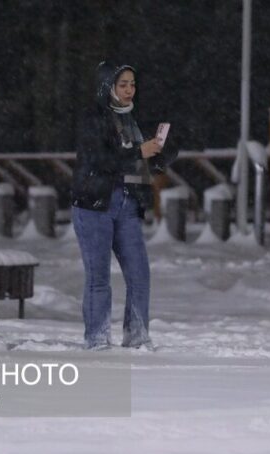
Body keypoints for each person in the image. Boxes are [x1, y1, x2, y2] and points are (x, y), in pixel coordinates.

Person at [71, 61, 177, 350]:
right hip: (94, 204)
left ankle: (137, 336)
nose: (130, 90)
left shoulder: (134, 118)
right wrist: (138, 151)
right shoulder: (93, 117)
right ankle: (97, 339)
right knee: (99, 277)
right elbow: (101, 160)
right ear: (108, 87)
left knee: (139, 273)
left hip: (128, 202)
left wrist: (159, 154)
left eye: (132, 84)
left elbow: (139, 161)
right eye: (123, 84)